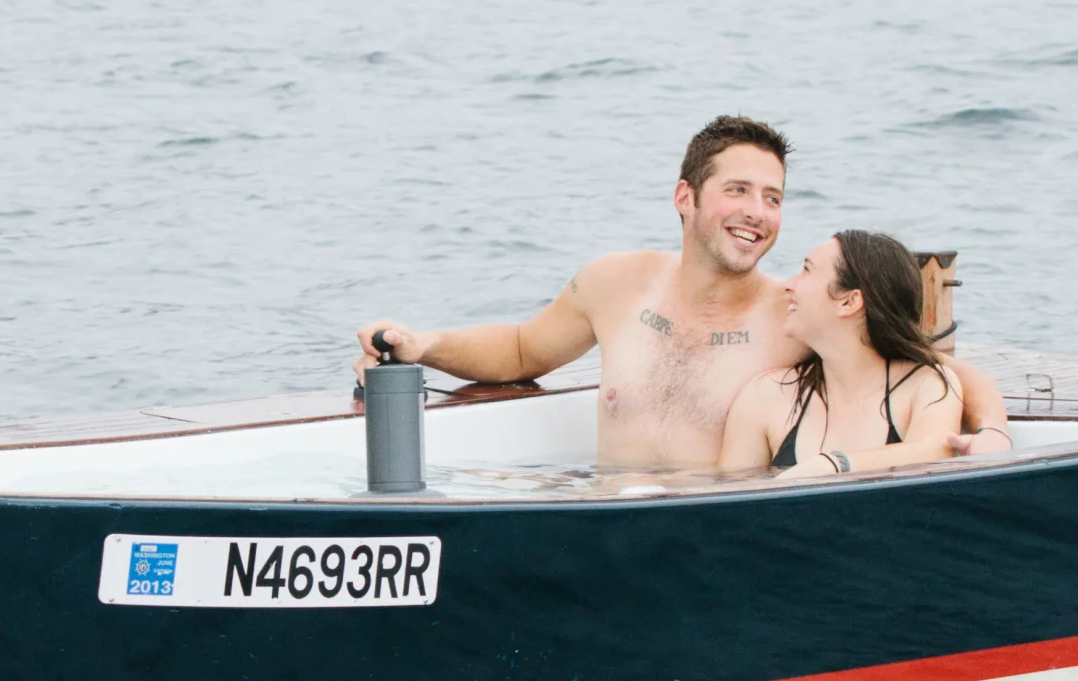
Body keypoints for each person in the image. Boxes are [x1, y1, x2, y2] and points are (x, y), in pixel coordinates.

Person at [356, 116, 1012, 468]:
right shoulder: (617, 284)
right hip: (600, 513)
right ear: (685, 198)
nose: (757, 212)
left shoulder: (792, 314)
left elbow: (945, 375)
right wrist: (424, 345)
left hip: (705, 533)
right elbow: (524, 349)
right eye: (738, 191)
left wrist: (995, 437)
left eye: (773, 198)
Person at [717, 228, 966, 477]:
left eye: (807, 270)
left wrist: (833, 464)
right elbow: (728, 497)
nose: (788, 285)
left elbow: (935, 452)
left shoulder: (925, 386)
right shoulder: (765, 396)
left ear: (849, 302)